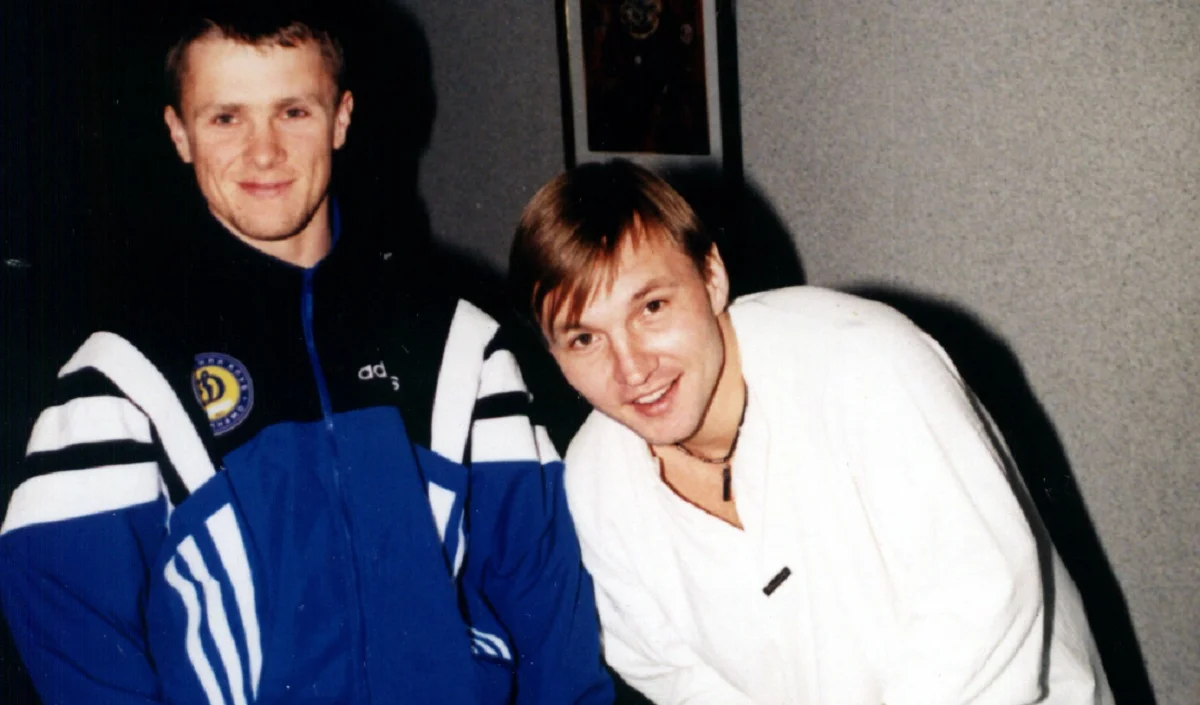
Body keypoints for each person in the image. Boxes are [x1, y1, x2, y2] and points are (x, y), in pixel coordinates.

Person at [0, 7, 612, 705]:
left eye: (293, 112)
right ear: (179, 133)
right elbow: (75, 636)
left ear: (341, 118)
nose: (263, 152)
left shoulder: (463, 347)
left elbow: (547, 610)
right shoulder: (117, 380)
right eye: (225, 118)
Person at [508, 159, 1113, 705]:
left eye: (652, 308)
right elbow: (674, 675)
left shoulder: (865, 364)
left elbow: (980, 602)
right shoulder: (596, 478)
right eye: (584, 338)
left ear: (711, 277)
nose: (633, 368)